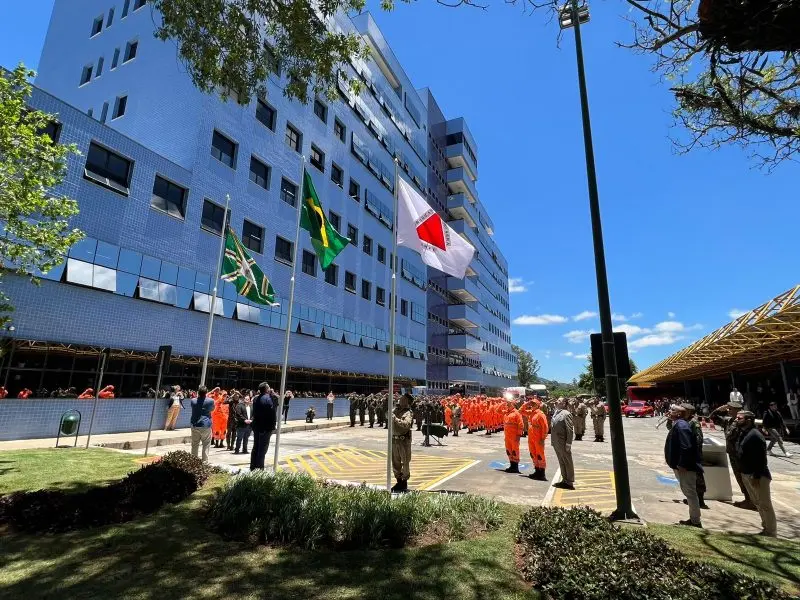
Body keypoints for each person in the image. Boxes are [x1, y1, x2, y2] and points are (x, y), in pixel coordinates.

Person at [735, 410, 777, 537]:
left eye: (739, 418)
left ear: (748, 420)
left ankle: (771, 532)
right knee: (758, 503)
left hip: (757, 476)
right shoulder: (744, 433)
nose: (736, 420)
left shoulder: (755, 435)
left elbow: (761, 459)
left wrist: (757, 476)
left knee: (765, 504)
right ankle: (766, 528)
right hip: (747, 474)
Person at [709, 401, 756, 510]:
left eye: (730, 409)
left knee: (745, 478)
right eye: (728, 408)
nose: (728, 410)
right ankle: (748, 499)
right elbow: (712, 417)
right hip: (733, 454)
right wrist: (719, 409)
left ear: (737, 410)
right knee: (739, 477)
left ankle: (752, 500)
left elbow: (730, 435)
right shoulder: (728, 421)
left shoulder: (741, 422)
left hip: (741, 455)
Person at [664, 404, 703, 528]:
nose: (669, 411)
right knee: (688, 491)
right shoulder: (678, 424)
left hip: (685, 467)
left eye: (672, 410)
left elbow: (686, 446)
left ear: (679, 414)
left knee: (690, 492)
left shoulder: (681, 425)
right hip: (681, 466)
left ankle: (695, 521)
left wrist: (682, 464)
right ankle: (694, 519)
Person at [683, 403, 708, 509]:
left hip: (694, 454)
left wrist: (693, 452)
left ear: (688, 411)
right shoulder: (684, 420)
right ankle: (692, 497)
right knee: (689, 477)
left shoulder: (694, 422)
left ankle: (700, 500)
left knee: (697, 476)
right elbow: (669, 427)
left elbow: (698, 439)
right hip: (687, 453)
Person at [250, 382, 278, 470]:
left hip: (257, 426)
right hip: (265, 428)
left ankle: (253, 467)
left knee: (256, 447)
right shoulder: (269, 399)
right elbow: (272, 412)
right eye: (269, 387)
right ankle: (259, 469)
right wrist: (273, 426)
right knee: (262, 450)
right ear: (266, 389)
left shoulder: (256, 398)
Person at [520, 398, 548, 481]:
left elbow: (545, 427)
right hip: (531, 437)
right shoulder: (531, 413)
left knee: (540, 455)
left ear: (538, 405)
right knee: (533, 454)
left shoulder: (540, 414)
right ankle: (537, 471)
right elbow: (520, 411)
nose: (532, 405)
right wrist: (526, 403)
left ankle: (542, 474)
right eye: (531, 404)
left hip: (538, 438)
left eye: (534, 404)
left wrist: (543, 438)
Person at [551, 397, 575, 489]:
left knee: (567, 461)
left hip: (563, 442)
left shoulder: (566, 414)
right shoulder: (557, 412)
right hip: (556, 441)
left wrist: (568, 443)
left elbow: (569, 430)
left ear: (564, 403)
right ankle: (564, 480)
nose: (556, 401)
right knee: (561, 461)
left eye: (559, 400)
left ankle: (569, 481)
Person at [391, 393, 414, 492]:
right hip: (394, 439)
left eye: (403, 399)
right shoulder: (396, 410)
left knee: (405, 462)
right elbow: (387, 416)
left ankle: (404, 482)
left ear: (406, 402)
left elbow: (406, 424)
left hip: (403, 441)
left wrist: (395, 419)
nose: (400, 400)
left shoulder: (408, 413)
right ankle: (398, 481)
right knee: (395, 462)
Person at [190, 385, 215, 462]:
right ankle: (204, 462)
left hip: (195, 424)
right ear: (206, 392)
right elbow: (212, 409)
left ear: (198, 392)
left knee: (195, 444)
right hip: (206, 425)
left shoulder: (193, 400)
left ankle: (194, 461)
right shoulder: (210, 401)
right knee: (206, 444)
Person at [502, 400, 524, 473]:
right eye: (507, 404)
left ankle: (515, 467)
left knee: (515, 451)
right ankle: (512, 466)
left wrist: (518, 435)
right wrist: (503, 403)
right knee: (509, 451)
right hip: (507, 436)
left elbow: (521, 425)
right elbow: (497, 410)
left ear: (513, 405)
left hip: (514, 436)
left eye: (509, 404)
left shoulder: (517, 413)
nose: (507, 405)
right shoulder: (506, 413)